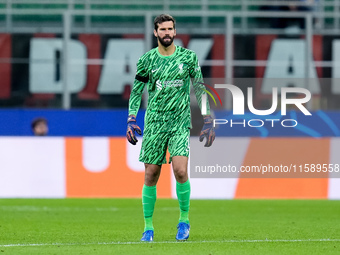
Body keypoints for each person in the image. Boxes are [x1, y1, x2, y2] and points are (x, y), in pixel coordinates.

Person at [126, 14, 215, 242]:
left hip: (179, 121)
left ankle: (184, 221)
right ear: (155, 33)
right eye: (162, 29)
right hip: (155, 122)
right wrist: (131, 119)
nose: (167, 33)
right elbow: (136, 91)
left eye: (170, 29)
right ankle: (148, 228)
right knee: (151, 174)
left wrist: (208, 118)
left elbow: (200, 88)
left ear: (175, 32)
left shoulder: (188, 57)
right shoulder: (147, 60)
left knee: (181, 171)